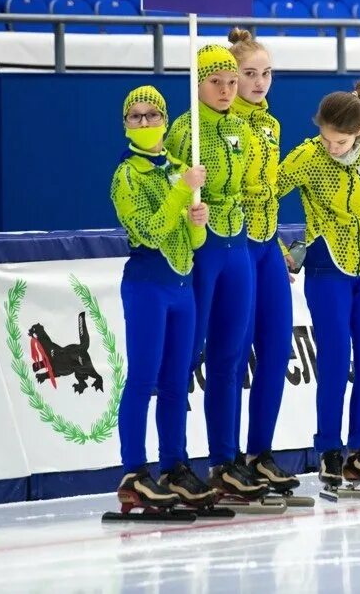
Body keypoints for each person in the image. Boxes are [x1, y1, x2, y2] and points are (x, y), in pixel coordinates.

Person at [276, 83, 360, 487]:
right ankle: (329, 448)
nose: (331, 147)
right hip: (328, 269)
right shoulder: (308, 156)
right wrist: (281, 249)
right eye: (326, 138)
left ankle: (359, 452)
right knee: (333, 360)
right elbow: (264, 195)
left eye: (339, 140)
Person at [165, 45, 266, 499]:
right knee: (186, 358)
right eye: (216, 82)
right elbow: (164, 189)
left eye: (231, 82)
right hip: (202, 251)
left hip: (238, 245)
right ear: (197, 84)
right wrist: (186, 202)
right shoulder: (185, 131)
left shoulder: (243, 128)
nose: (226, 90)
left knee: (229, 359)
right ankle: (173, 463)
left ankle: (224, 461)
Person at [107, 86, 215, 510]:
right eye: (137, 116)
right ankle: (134, 472)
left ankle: (174, 465)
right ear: (126, 124)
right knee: (143, 378)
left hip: (182, 285)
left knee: (176, 381)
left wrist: (198, 221)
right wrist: (179, 194)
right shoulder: (126, 174)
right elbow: (149, 231)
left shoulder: (177, 166)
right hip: (148, 284)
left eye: (153, 114)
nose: (147, 122)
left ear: (165, 119)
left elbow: (190, 238)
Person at [226, 28, 300, 494]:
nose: (258, 82)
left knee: (276, 352)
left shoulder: (271, 125)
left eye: (266, 73)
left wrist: (276, 250)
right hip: (232, 248)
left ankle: (261, 453)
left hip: (267, 247)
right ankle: (226, 458)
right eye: (249, 74)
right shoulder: (219, 124)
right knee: (232, 357)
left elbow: (270, 192)